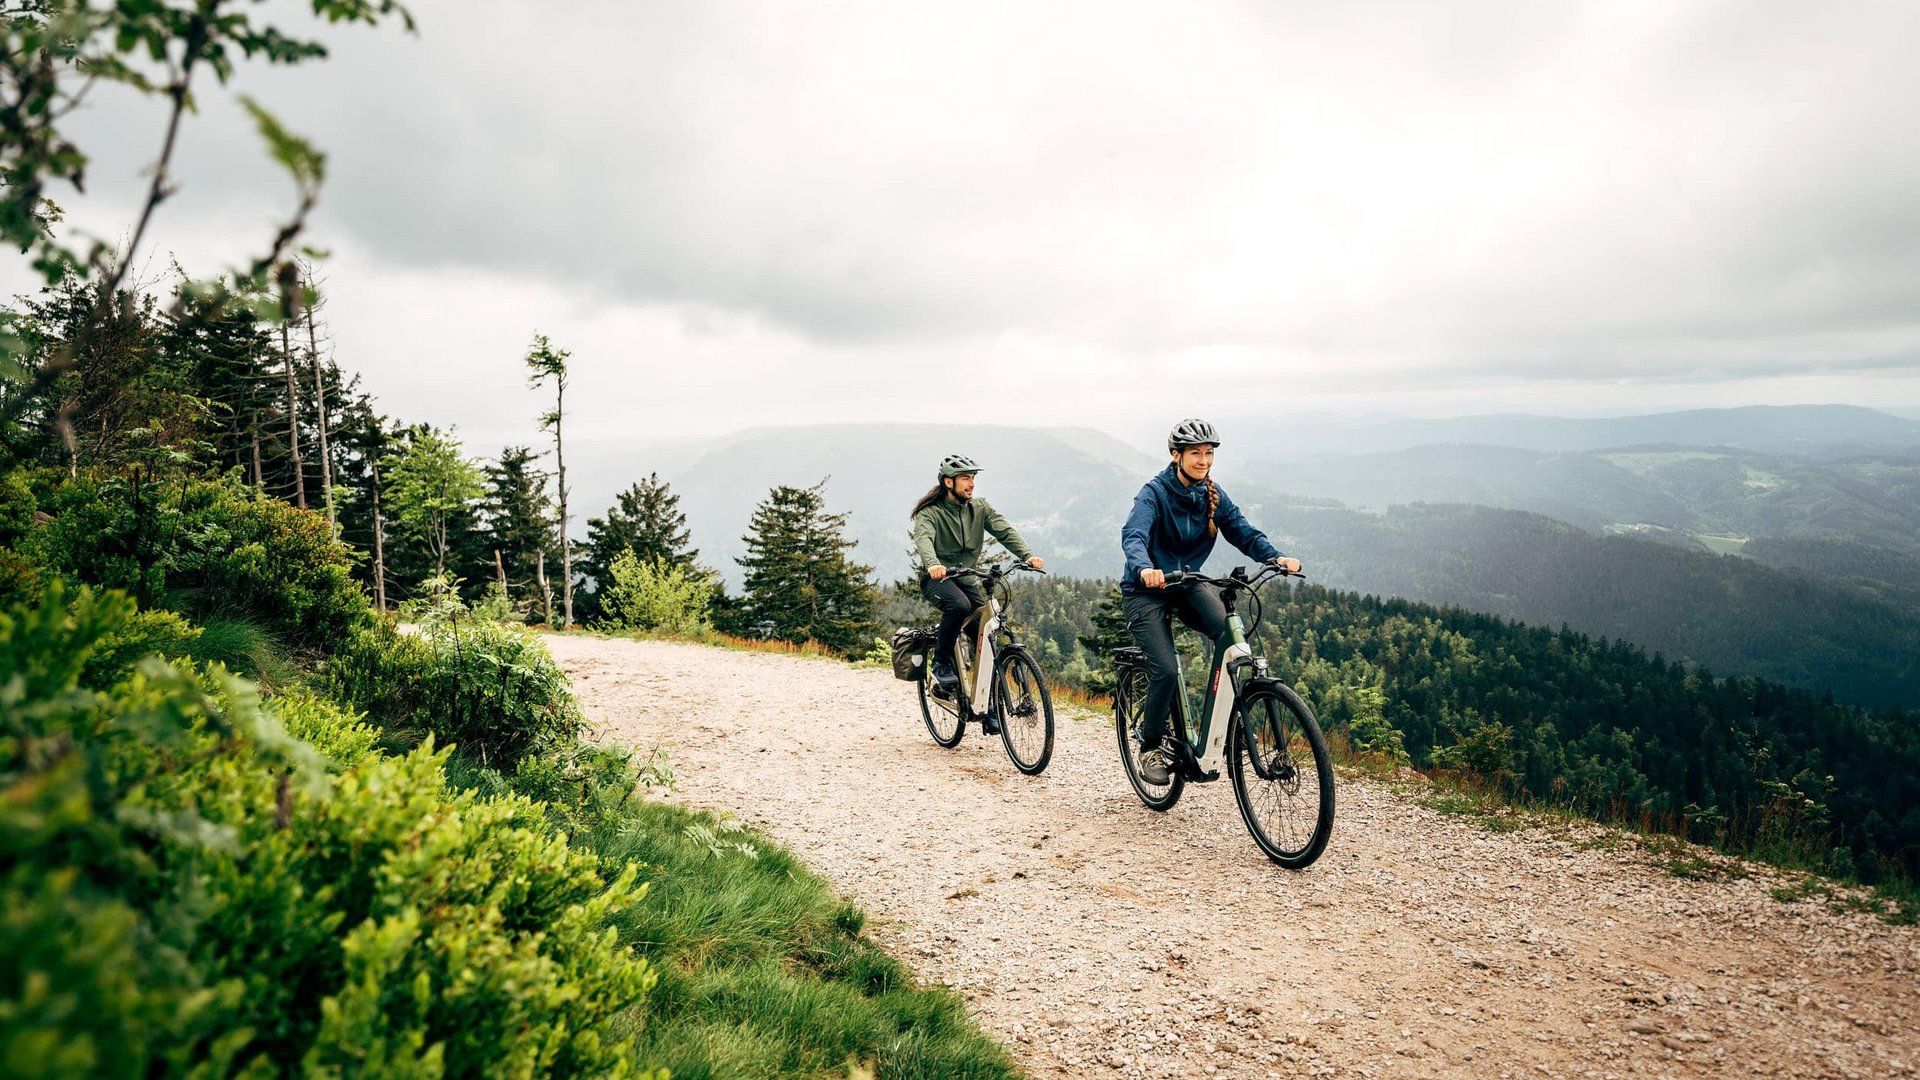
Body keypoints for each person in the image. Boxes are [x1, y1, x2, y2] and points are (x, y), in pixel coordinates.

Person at [1121, 418, 1301, 784]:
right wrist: (1144, 568)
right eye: (1195, 454)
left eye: (1208, 454)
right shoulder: (1153, 493)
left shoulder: (1212, 494)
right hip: (1145, 591)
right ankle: (1151, 746)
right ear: (1176, 456)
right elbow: (1134, 535)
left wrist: (1274, 556)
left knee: (1232, 640)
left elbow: (1242, 531)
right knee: (1166, 669)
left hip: (1186, 583)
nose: (1203, 461)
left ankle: (1220, 728)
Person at [911, 454, 1045, 724]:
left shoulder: (979, 508)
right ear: (948, 482)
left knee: (986, 633)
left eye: (973, 478)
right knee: (959, 606)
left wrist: (1027, 555)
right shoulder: (931, 513)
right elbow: (924, 539)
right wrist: (933, 564)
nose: (971, 484)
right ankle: (941, 662)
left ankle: (987, 706)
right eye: (965, 479)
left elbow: (1004, 530)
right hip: (938, 579)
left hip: (966, 578)